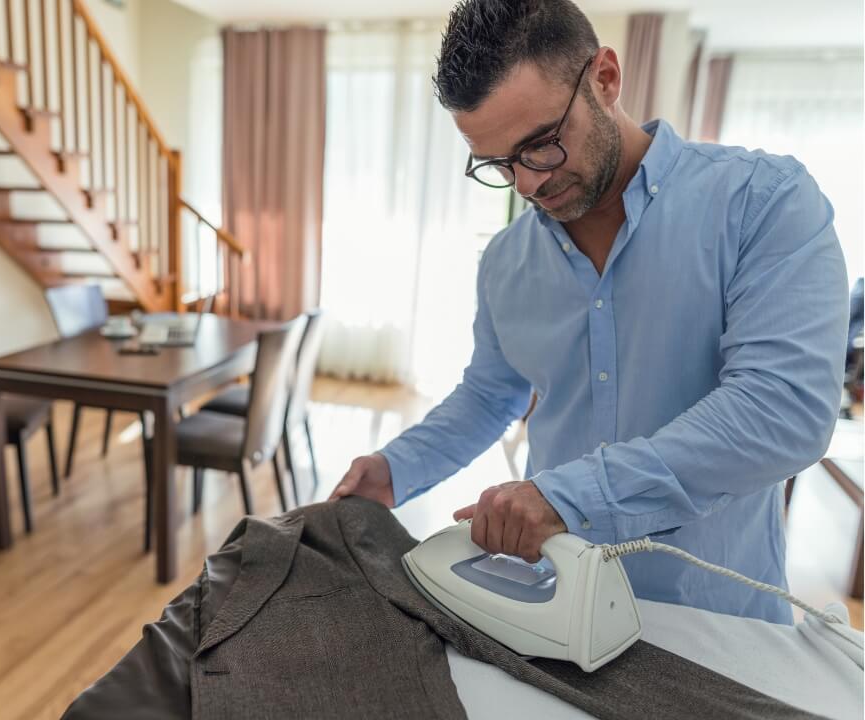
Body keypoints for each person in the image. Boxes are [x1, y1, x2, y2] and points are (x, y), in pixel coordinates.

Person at [329, 0, 849, 624]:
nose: (525, 185)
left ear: (605, 78)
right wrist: (396, 468)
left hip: (719, 619)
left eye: (540, 145)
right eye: (497, 164)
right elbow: (491, 396)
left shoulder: (764, 204)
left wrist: (566, 497)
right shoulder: (504, 261)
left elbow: (782, 410)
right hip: (552, 607)